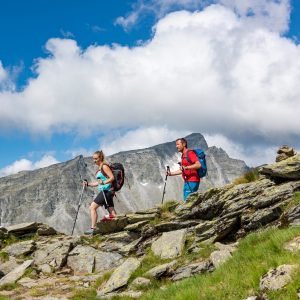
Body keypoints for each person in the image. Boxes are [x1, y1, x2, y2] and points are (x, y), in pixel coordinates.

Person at [83, 150, 116, 235]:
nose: (94, 161)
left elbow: (112, 178)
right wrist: (88, 184)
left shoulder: (104, 166)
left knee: (92, 207)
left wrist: (104, 183)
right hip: (107, 192)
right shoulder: (100, 168)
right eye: (93, 159)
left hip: (106, 191)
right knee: (112, 212)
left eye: (96, 159)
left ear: (100, 158)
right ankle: (118, 226)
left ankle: (93, 228)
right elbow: (98, 183)